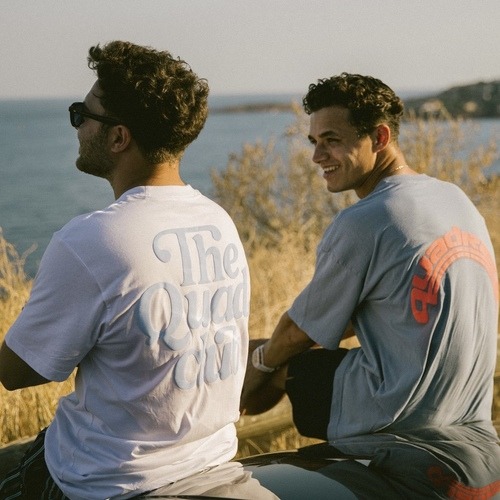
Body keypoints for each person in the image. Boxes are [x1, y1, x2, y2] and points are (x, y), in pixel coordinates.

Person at [0, 41, 251, 499]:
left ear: (118, 138)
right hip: (209, 460)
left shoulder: (93, 240)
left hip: (105, 480)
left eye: (82, 115)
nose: (77, 127)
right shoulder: (217, 221)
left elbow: (18, 372)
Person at [241, 73, 498, 442]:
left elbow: (297, 332)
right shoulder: (456, 200)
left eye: (332, 141)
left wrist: (260, 363)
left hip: (395, 417)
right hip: (467, 415)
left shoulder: (367, 220)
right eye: (314, 142)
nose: (317, 157)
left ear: (380, 137)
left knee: (266, 356)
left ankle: (214, 441)